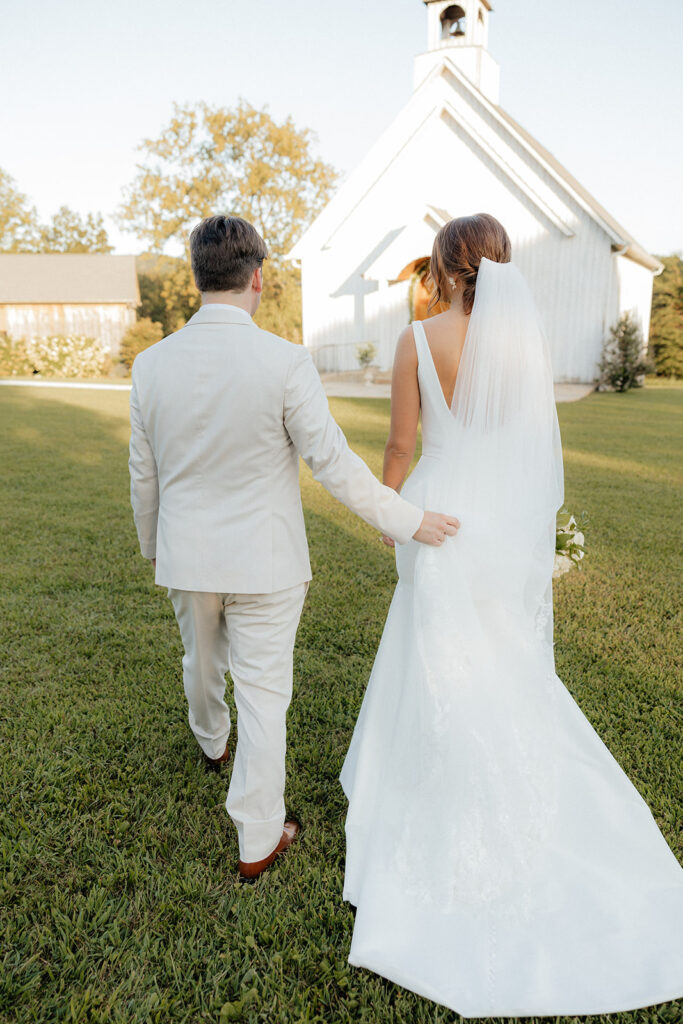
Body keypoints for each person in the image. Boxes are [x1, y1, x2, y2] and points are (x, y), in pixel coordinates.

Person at [340, 213, 683, 1017]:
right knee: (494, 660)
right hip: (498, 526)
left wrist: (388, 509)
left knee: (437, 652)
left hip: (434, 516)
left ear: (439, 268)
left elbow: (399, 446)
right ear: (498, 266)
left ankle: (433, 791)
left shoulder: (415, 342)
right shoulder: (522, 345)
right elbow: (532, 452)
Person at [128, 215, 459, 882]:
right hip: (266, 562)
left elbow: (144, 471)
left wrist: (151, 546)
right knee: (263, 694)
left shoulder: (150, 364)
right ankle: (257, 837)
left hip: (186, 554)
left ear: (198, 280)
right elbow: (333, 464)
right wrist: (406, 519)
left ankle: (209, 740)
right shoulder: (285, 361)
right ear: (256, 278)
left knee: (200, 660)